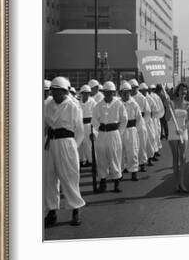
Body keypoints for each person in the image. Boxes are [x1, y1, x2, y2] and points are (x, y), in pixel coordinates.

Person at [43, 77, 86, 228]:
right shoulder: (47, 105)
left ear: (64, 91)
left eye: (57, 91)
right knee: (49, 178)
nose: (54, 94)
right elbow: (44, 125)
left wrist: (73, 146)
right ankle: (51, 211)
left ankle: (75, 208)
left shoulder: (73, 106)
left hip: (66, 143)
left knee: (69, 177)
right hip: (50, 143)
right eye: (52, 90)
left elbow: (80, 131)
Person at [91, 81, 128, 193]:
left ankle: (116, 182)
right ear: (104, 93)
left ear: (113, 93)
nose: (108, 95)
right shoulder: (98, 105)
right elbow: (94, 121)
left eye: (110, 93)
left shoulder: (118, 104)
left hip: (114, 133)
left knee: (115, 157)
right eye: (106, 92)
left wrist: (119, 132)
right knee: (101, 158)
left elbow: (124, 119)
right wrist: (95, 132)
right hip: (102, 134)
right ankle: (103, 183)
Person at [165, 83, 189, 193]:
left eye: (185, 90)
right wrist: (168, 107)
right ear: (177, 91)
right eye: (181, 90)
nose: (183, 92)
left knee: (183, 158)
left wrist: (183, 128)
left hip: (183, 132)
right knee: (175, 158)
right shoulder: (171, 103)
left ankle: (182, 183)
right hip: (173, 132)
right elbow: (167, 118)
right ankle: (176, 183)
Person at [120, 81, 142, 181]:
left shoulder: (134, 104)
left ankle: (134, 171)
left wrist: (135, 130)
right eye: (123, 92)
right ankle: (120, 171)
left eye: (127, 92)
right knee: (120, 151)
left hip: (131, 129)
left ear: (130, 92)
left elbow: (139, 119)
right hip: (120, 130)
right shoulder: (117, 104)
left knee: (133, 151)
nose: (125, 94)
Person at [130, 79, 152, 172]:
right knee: (131, 145)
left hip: (141, 122)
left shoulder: (142, 98)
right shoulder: (127, 97)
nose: (133, 89)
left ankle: (142, 163)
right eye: (132, 88)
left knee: (142, 144)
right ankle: (131, 165)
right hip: (130, 124)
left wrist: (144, 122)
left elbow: (147, 111)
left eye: (134, 87)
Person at [77, 84, 97, 168]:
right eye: (84, 93)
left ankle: (92, 161)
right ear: (81, 93)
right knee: (80, 144)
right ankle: (82, 160)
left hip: (89, 125)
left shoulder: (93, 102)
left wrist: (95, 129)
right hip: (81, 125)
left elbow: (96, 115)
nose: (86, 95)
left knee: (90, 144)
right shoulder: (78, 102)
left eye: (87, 93)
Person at [139, 83, 158, 166]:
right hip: (139, 122)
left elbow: (155, 109)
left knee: (150, 140)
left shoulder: (150, 98)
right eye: (142, 90)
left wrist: (151, 119)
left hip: (148, 122)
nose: (143, 92)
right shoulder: (138, 98)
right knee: (140, 142)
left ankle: (150, 159)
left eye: (145, 90)